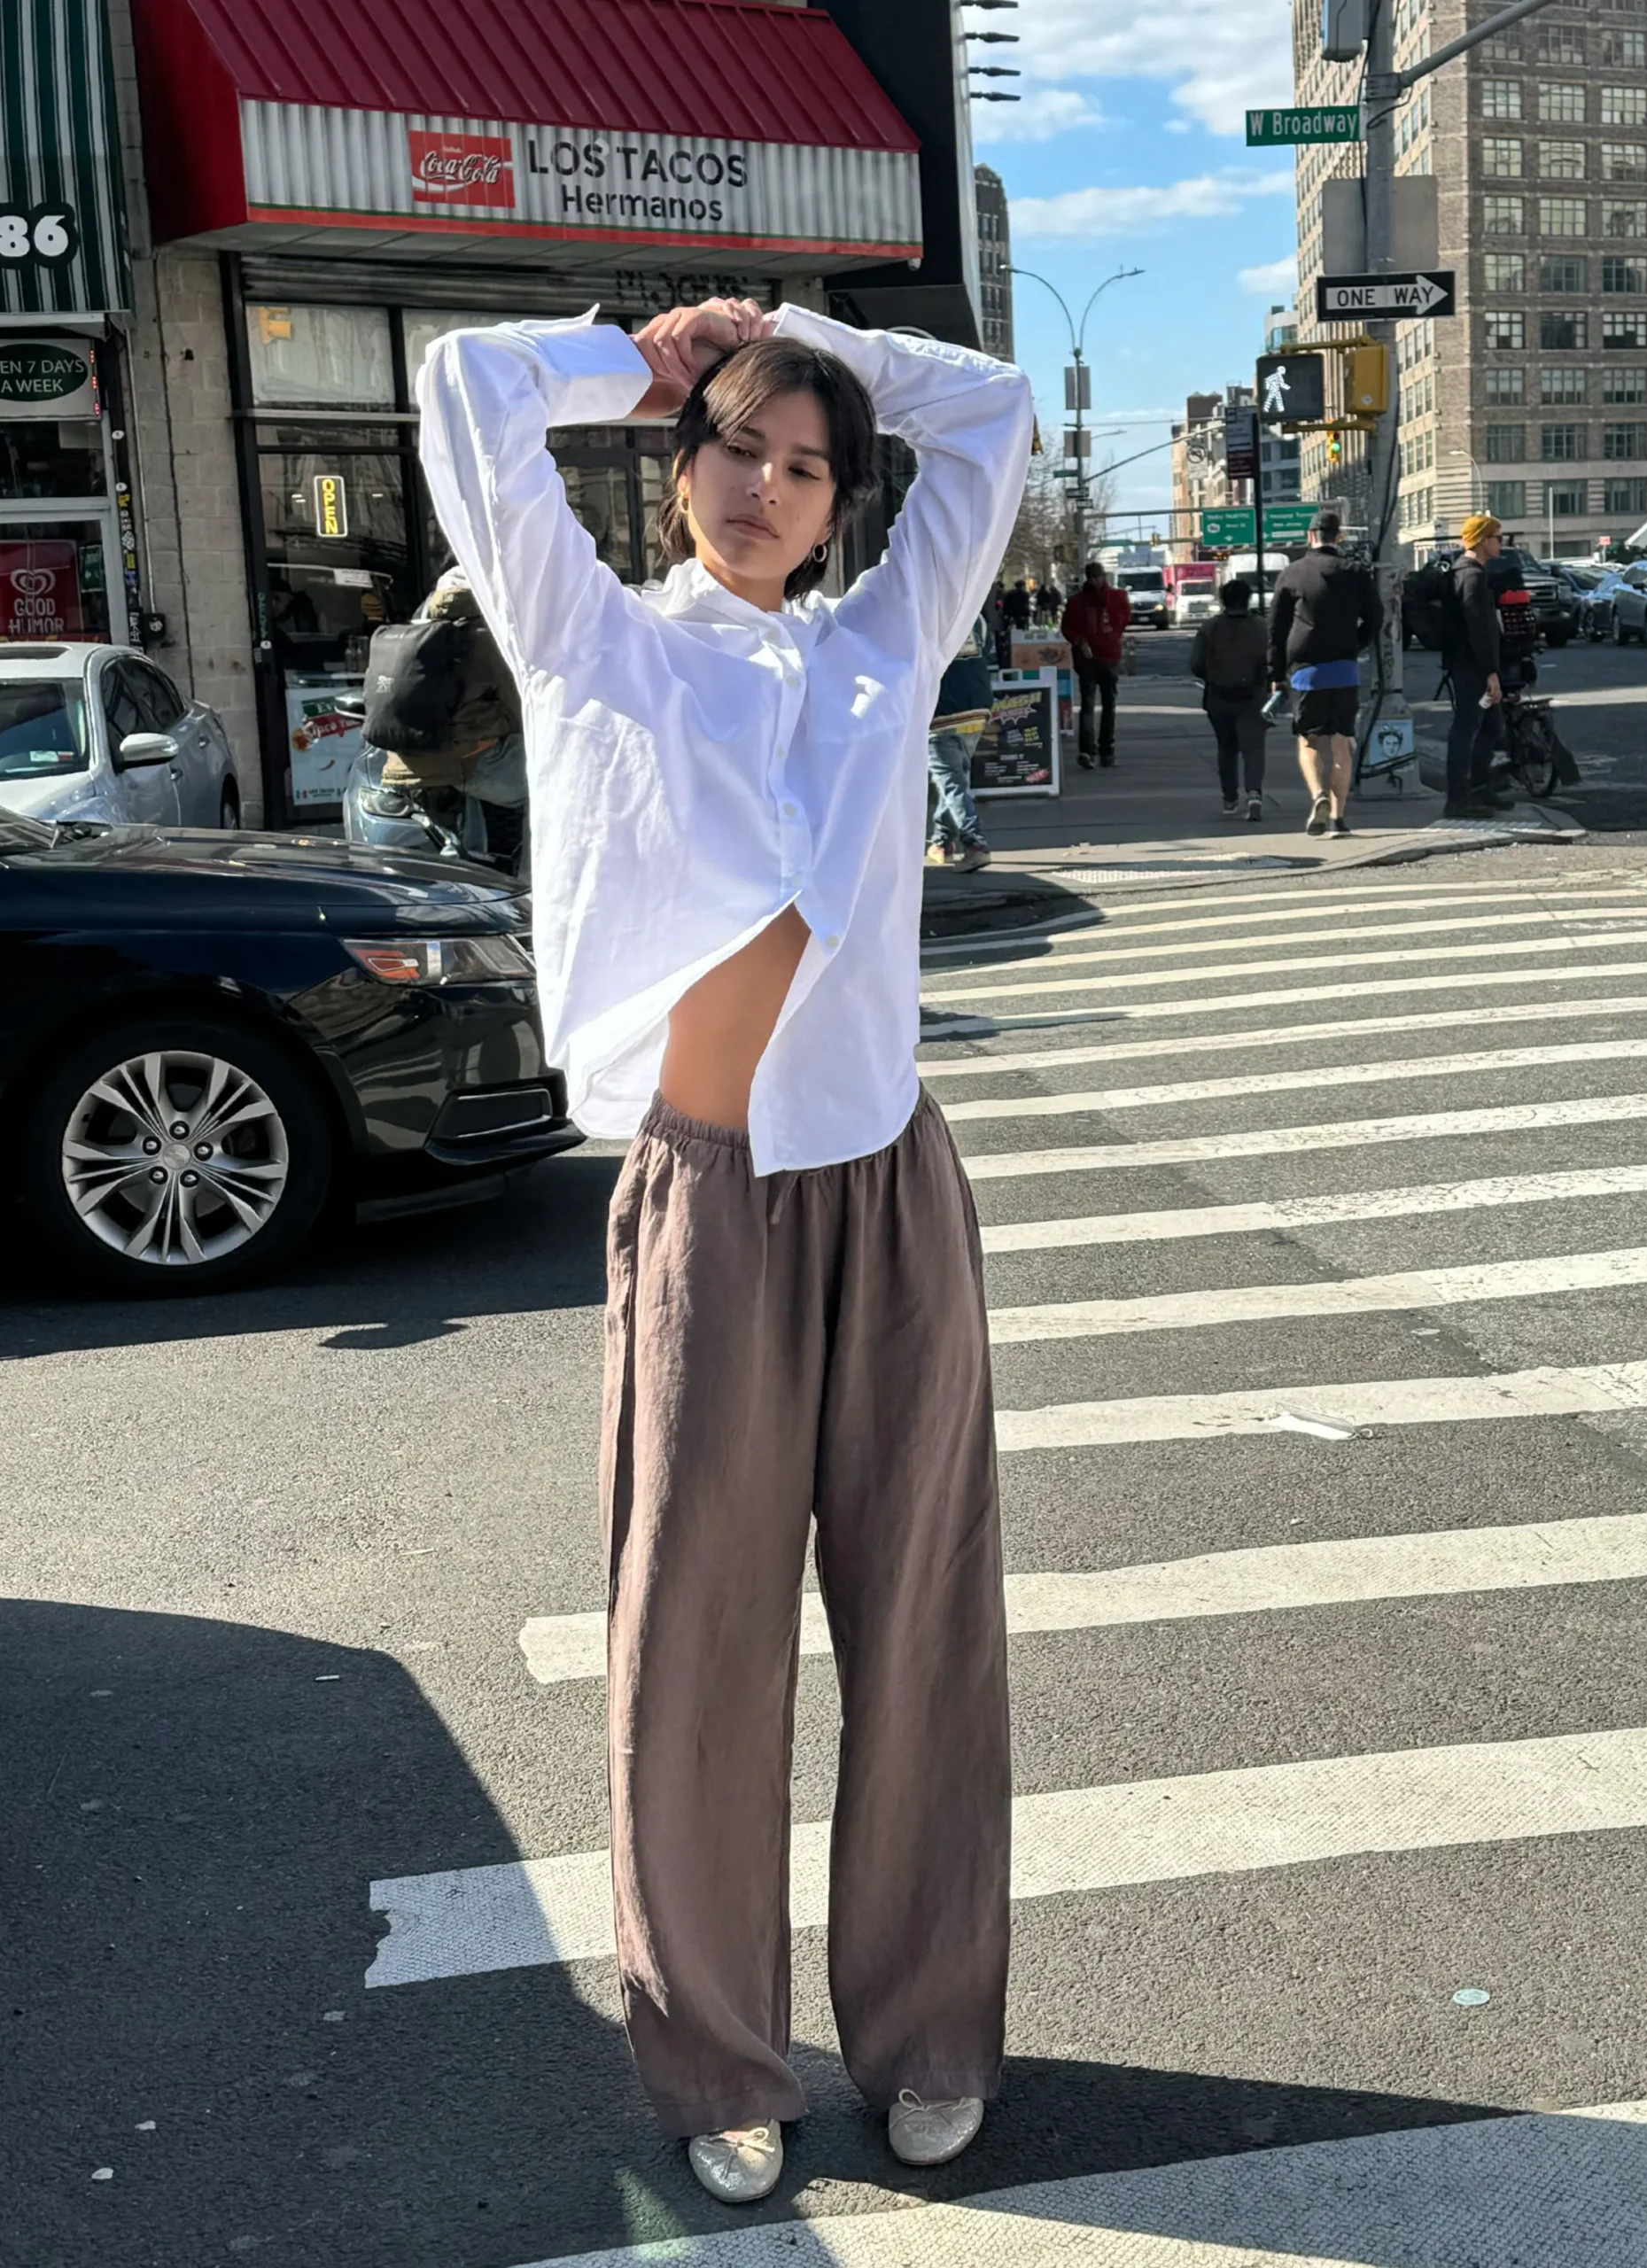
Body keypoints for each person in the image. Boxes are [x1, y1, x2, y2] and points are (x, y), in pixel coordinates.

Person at [419, 295, 1031, 2206]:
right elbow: (465, 392)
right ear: (679, 469)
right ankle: (717, 2058)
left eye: (807, 463)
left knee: (924, 1625)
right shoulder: (595, 635)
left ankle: (932, 2033)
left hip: (887, 1180)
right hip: (705, 1192)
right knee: (693, 1640)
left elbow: (994, 410)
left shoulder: (880, 647)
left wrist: (810, 336)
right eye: (739, 449)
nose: (767, 484)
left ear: (842, 504)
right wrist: (649, 356)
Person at [1267, 509, 1382, 837]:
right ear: (1338, 537)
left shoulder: (1292, 574)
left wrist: (1275, 672)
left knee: (1309, 741)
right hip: (1345, 668)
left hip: (1307, 670)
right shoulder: (1356, 572)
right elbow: (1376, 617)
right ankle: (1338, 818)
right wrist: (1355, 644)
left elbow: (1276, 629)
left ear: (1310, 536)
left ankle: (1318, 794)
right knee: (1342, 744)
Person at [1441, 512, 1506, 820]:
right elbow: (1479, 629)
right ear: (1482, 541)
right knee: (1466, 728)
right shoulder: (1472, 578)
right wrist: (1491, 672)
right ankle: (1458, 799)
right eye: (1497, 538)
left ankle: (1481, 789)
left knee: (1491, 725)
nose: (1501, 543)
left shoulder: (1464, 572)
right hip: (1473, 670)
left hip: (1471, 667)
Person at [1189, 578, 1270, 820]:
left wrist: (1212, 676)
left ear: (1223, 600)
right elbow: (1273, 659)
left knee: (1226, 747)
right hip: (1253, 694)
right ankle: (1254, 793)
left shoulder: (1210, 628)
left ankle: (1230, 797)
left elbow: (1196, 664)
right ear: (1248, 599)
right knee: (1253, 747)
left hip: (1219, 695)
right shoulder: (1262, 627)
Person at [927, 602, 995, 870]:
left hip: (943, 709)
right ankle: (942, 841)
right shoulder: (975, 615)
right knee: (954, 779)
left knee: (952, 783)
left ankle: (975, 843)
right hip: (977, 706)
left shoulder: (923, 616)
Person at [1062, 559, 1130, 768]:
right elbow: (1067, 628)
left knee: (1106, 705)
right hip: (1088, 658)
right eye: (1092, 578)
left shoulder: (1116, 597)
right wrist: (1079, 641)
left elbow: (1124, 619)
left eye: (1098, 577)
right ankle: (1089, 750)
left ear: (1104, 577)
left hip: (1107, 656)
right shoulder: (1077, 602)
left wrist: (1112, 635)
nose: (1095, 581)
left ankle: (1105, 749)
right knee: (1089, 705)